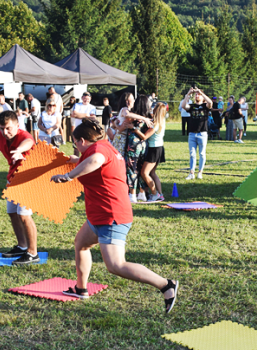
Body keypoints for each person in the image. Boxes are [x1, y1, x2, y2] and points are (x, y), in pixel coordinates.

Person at [50, 118, 178, 312]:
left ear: (82, 141)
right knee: (81, 244)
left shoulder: (97, 152)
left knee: (116, 265)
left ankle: (166, 285)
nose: (76, 147)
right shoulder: (104, 146)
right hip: (99, 214)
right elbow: (97, 162)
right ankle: (80, 288)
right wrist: (75, 160)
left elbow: (96, 161)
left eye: (75, 143)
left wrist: (68, 176)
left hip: (111, 215)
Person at [0, 110, 42, 265]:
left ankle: (32, 253)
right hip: (13, 179)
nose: (5, 132)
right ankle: (22, 246)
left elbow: (29, 142)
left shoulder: (24, 136)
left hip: (29, 180)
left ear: (17, 125)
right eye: (2, 128)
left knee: (24, 215)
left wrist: (19, 150)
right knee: (12, 213)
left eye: (8, 128)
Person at [123, 94, 152, 203]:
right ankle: (142, 193)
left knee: (132, 170)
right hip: (144, 145)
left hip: (133, 145)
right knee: (140, 169)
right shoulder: (149, 117)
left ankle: (132, 195)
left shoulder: (133, 117)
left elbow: (126, 115)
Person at [180, 87, 212, 180]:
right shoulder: (192, 106)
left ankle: (200, 172)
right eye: (196, 94)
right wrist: (188, 94)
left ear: (202, 97)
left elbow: (210, 103)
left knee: (202, 153)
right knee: (192, 154)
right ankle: (191, 173)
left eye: (199, 95)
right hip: (192, 134)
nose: (197, 95)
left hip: (202, 133)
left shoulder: (205, 106)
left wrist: (202, 93)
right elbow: (183, 106)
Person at [140, 102, 167, 202]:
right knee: (152, 173)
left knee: (144, 173)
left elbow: (144, 137)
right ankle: (160, 195)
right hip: (159, 148)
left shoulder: (155, 124)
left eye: (154, 107)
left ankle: (155, 194)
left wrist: (134, 129)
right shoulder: (161, 120)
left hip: (154, 149)